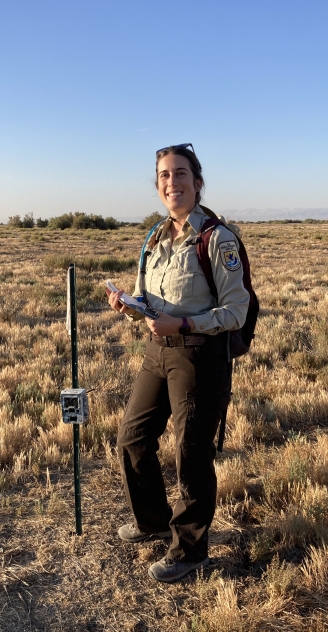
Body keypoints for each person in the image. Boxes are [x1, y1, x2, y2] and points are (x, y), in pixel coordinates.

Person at [107, 143, 250, 583]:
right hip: (159, 350)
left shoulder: (217, 239)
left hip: (199, 355)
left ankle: (190, 550)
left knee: (191, 452)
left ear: (197, 182)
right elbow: (149, 301)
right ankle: (151, 519)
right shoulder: (154, 236)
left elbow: (236, 311)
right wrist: (129, 305)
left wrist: (184, 323)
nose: (173, 182)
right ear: (158, 185)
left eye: (181, 174)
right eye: (165, 176)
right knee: (132, 436)